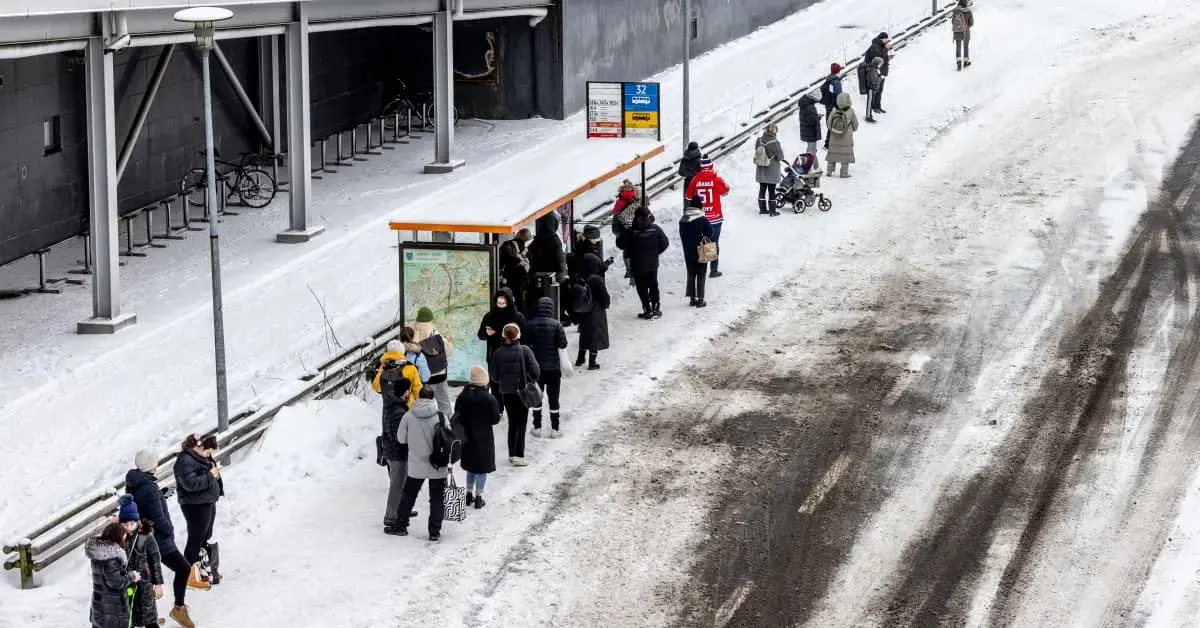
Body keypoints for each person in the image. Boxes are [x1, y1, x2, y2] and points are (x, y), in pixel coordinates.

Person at [126, 451, 194, 628]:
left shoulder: (134, 482)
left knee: (146, 581)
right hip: (158, 540)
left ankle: (149, 619)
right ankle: (178, 608)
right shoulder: (149, 487)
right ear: (151, 465)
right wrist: (169, 529)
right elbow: (158, 516)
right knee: (183, 568)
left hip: (142, 539)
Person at [393, 388, 449, 541]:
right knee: (437, 499)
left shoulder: (408, 416)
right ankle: (434, 532)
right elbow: (449, 440)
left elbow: (401, 439)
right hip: (438, 465)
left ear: (418, 397)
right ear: (433, 398)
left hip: (416, 465)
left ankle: (401, 525)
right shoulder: (441, 417)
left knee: (409, 495)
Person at [172, 434, 222, 591]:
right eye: (207, 452)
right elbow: (190, 484)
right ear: (199, 448)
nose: (209, 456)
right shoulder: (185, 460)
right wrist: (211, 476)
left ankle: (203, 570)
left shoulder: (199, 458)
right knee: (196, 538)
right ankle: (188, 574)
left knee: (205, 536)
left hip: (207, 501)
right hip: (195, 504)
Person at [489, 323, 540, 465]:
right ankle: (519, 455)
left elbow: (493, 375)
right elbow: (536, 371)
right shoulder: (525, 350)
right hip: (522, 391)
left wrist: (504, 381)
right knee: (521, 423)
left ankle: (511, 454)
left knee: (512, 422)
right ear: (518, 335)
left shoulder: (498, 353)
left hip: (506, 392)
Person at [457, 365, 501, 508]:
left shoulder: (463, 396)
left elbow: (458, 415)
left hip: (467, 437)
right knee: (481, 468)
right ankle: (479, 497)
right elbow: (495, 419)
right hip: (484, 438)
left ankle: (468, 494)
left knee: (471, 466)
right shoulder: (489, 399)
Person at [525, 297, 568, 436]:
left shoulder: (530, 324)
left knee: (537, 397)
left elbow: (526, 344)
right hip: (553, 368)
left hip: (536, 368)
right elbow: (563, 344)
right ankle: (555, 429)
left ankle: (537, 427)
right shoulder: (557, 325)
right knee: (553, 397)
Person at [477, 288, 527, 409]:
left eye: (503, 304)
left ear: (509, 303)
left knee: (512, 382)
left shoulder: (517, 317)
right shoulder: (489, 316)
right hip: (494, 355)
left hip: (513, 356)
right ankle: (498, 407)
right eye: (498, 304)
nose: (501, 307)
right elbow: (480, 335)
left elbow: (525, 336)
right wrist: (486, 334)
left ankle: (513, 406)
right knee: (495, 383)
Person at [617, 208, 670, 319]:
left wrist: (623, 231)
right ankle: (656, 308)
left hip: (637, 264)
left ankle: (647, 309)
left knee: (641, 287)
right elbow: (665, 243)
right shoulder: (656, 229)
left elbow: (621, 244)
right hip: (652, 263)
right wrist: (655, 253)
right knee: (653, 284)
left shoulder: (631, 232)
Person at [120, 499, 164, 628]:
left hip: (145, 584)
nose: (129, 527)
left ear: (137, 521)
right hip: (127, 584)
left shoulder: (146, 536)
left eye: (132, 524)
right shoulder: (118, 538)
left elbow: (155, 560)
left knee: (149, 618)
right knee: (128, 618)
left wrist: (158, 584)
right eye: (125, 525)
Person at [87, 522, 140, 628]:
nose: (125, 539)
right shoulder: (110, 559)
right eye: (123, 536)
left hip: (100, 607)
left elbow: (108, 578)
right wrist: (131, 576)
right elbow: (116, 583)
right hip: (112, 612)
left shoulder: (97, 554)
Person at [381, 377, 416, 534]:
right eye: (408, 390)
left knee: (400, 484)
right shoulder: (398, 411)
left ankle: (400, 511)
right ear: (405, 391)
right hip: (397, 454)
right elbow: (398, 436)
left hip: (394, 452)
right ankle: (391, 516)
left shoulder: (394, 405)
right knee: (396, 486)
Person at [685, 156, 729, 278]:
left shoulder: (695, 179)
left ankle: (701, 270)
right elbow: (725, 191)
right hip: (715, 217)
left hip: (700, 217)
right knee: (714, 242)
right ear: (711, 167)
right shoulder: (716, 179)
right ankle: (713, 270)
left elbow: (688, 197)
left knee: (702, 241)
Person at [412, 307, 455, 415]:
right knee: (443, 403)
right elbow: (448, 352)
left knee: (424, 403)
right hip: (439, 375)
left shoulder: (413, 334)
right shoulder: (436, 334)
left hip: (423, 377)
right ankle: (445, 425)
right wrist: (449, 342)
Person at [574, 254, 611, 369]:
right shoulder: (596, 279)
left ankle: (580, 359)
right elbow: (604, 296)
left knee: (585, 334)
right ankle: (592, 362)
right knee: (595, 335)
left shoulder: (581, 277)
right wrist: (607, 303)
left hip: (584, 310)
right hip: (596, 310)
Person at [679, 195, 716, 308]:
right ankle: (700, 299)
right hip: (700, 251)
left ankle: (692, 298)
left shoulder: (683, 219)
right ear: (700, 206)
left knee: (691, 274)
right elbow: (711, 232)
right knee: (701, 274)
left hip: (687, 252)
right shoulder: (701, 219)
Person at [611, 180, 640, 283]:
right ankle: (634, 273)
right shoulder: (636, 200)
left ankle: (629, 272)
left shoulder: (619, 202)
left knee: (627, 252)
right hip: (635, 230)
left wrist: (617, 232)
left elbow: (615, 219)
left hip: (624, 233)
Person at [754, 123, 786, 216]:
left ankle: (763, 209)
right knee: (771, 190)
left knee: (762, 188)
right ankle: (772, 211)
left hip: (761, 169)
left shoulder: (759, 140)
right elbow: (780, 157)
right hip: (772, 169)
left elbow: (757, 151)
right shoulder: (775, 142)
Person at [526, 212, 568, 284]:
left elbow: (529, 253)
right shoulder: (555, 240)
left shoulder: (537, 239)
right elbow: (560, 260)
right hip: (551, 276)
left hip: (537, 274)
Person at [826, 92, 860, 179]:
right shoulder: (851, 111)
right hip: (846, 138)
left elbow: (829, 124)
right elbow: (855, 125)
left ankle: (829, 171)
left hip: (834, 136)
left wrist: (835, 130)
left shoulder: (834, 111)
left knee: (832, 154)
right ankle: (843, 173)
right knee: (845, 155)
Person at [498, 239, 530, 309]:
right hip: (515, 299)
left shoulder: (499, 262)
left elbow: (523, 283)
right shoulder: (519, 265)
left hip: (510, 297)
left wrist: (506, 281)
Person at [864, 32, 891, 114]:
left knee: (880, 90)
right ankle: (873, 107)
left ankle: (878, 106)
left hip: (881, 72)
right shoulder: (875, 46)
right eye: (885, 39)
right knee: (876, 90)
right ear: (881, 39)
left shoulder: (880, 46)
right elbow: (878, 58)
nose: (886, 40)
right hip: (875, 73)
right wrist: (886, 49)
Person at [797, 90, 823, 166]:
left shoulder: (805, 104)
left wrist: (815, 116)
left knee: (811, 149)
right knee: (812, 151)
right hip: (811, 132)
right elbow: (811, 120)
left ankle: (813, 166)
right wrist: (817, 117)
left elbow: (808, 118)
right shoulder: (810, 107)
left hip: (807, 130)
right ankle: (813, 166)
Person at [952, 0, 974, 70]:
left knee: (958, 47)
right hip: (965, 31)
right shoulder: (968, 11)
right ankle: (966, 62)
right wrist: (966, 26)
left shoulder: (956, 11)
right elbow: (971, 23)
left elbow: (952, 22)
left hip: (957, 31)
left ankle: (958, 62)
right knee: (966, 47)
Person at [864, 57, 885, 123]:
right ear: (877, 63)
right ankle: (868, 117)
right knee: (869, 103)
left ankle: (869, 115)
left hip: (872, 88)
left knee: (870, 102)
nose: (880, 65)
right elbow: (874, 81)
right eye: (880, 64)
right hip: (871, 88)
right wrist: (880, 78)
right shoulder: (872, 70)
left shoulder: (874, 69)